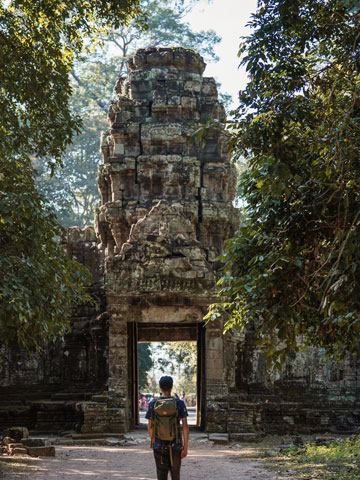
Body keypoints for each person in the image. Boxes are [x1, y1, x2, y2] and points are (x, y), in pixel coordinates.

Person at [146, 376, 189, 480]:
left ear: (160, 387)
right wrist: (185, 447)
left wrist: (154, 441)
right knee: (175, 475)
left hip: (159, 445)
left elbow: (150, 426)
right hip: (176, 445)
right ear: (171, 387)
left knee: (161, 476)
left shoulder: (153, 403)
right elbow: (185, 427)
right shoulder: (179, 403)